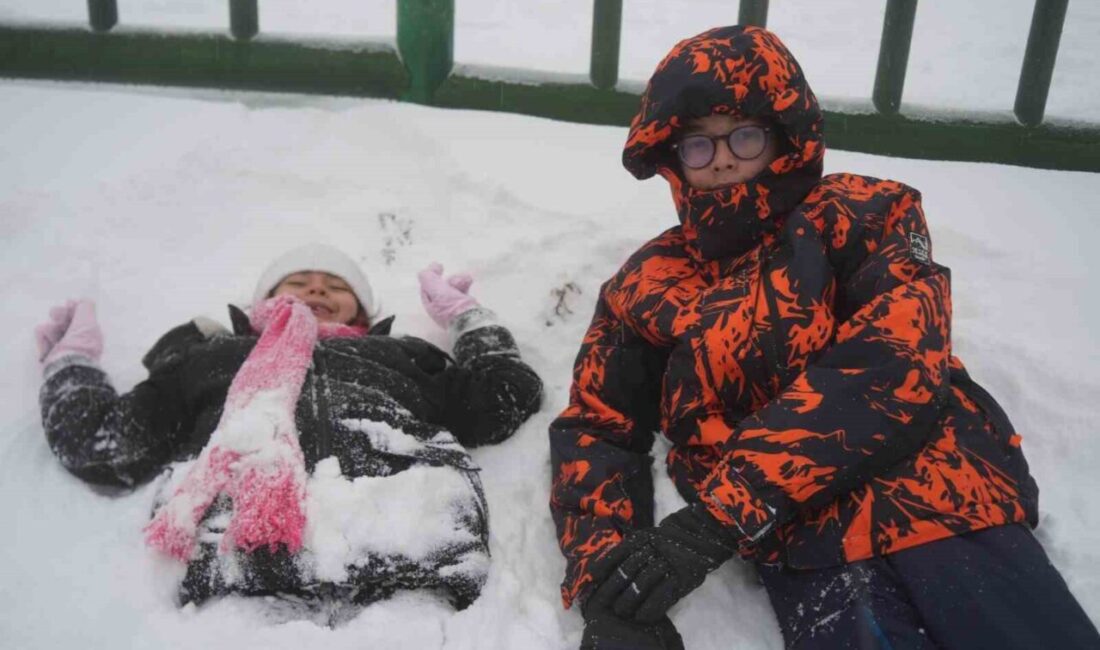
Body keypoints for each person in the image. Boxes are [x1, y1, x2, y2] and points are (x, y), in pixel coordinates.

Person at [549, 26, 1100, 650]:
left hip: (944, 494)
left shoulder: (865, 215)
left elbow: (892, 362)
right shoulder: (647, 284)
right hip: (808, 542)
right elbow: (599, 424)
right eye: (698, 146)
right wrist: (610, 580)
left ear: (785, 135)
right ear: (670, 159)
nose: (723, 157)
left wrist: (720, 516)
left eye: (744, 135)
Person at [36, 243, 542, 620]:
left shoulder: (404, 354)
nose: (318, 289)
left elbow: (502, 402)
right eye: (298, 281)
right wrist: (71, 363)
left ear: (364, 314)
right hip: (236, 562)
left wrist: (470, 319)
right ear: (263, 300)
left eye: (337, 285)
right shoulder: (209, 358)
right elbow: (103, 443)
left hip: (417, 544)